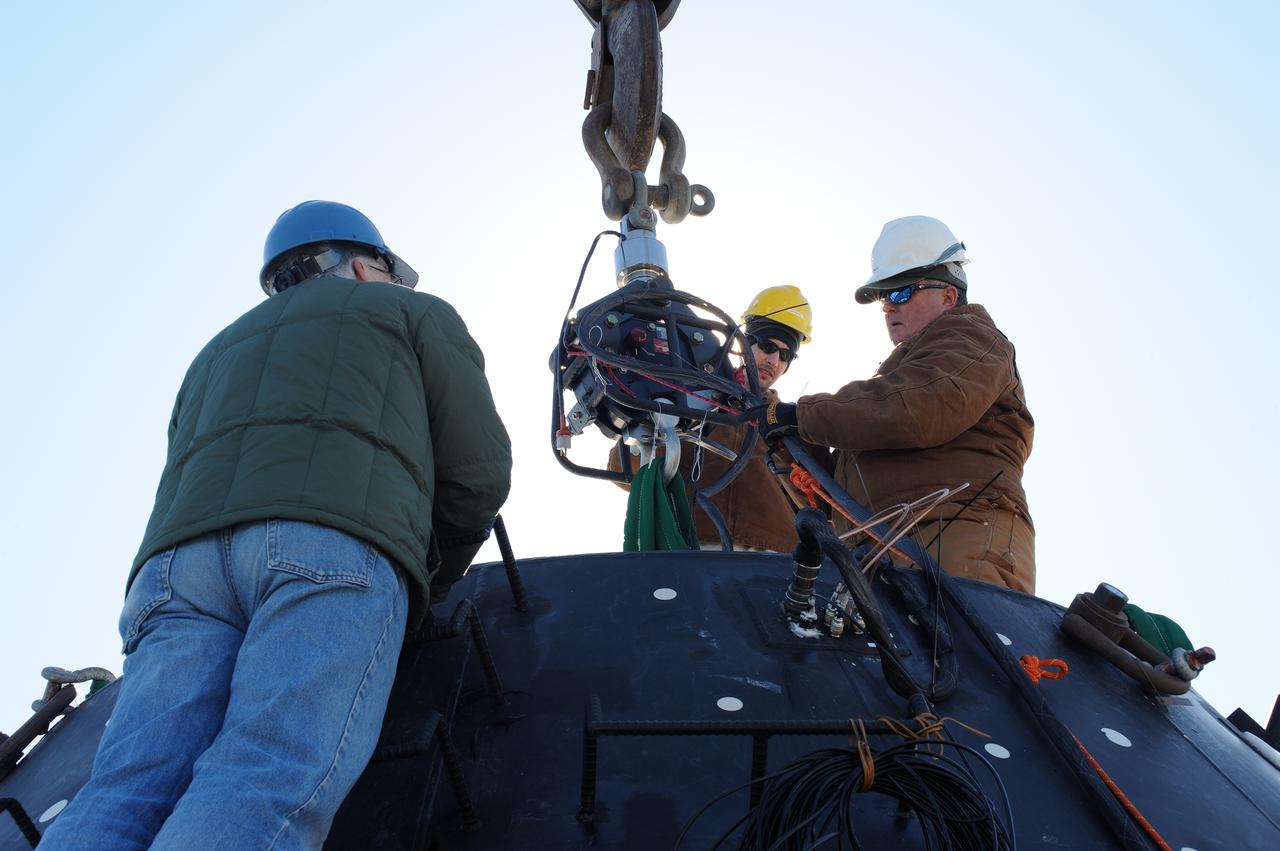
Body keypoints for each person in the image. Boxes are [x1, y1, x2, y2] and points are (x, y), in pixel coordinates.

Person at [39, 201, 513, 849]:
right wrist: (427, 581)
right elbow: (477, 468)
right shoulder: (413, 312)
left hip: (175, 572)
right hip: (329, 542)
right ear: (365, 263)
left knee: (123, 785)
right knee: (266, 772)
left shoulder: (211, 354)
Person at [756, 216, 1035, 593]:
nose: (888, 307)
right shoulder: (896, 381)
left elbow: (922, 408)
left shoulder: (972, 338)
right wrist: (793, 450)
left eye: (902, 292)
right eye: (885, 297)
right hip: (880, 561)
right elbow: (839, 494)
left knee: (953, 652)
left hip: (954, 548)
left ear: (948, 295)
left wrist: (801, 415)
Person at [614, 285, 811, 551]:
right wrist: (658, 422)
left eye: (785, 355)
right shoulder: (690, 398)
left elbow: (817, 502)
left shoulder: (791, 424)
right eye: (767, 346)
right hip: (690, 547)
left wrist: (783, 438)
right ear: (744, 343)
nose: (774, 360)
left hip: (772, 561)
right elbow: (622, 469)